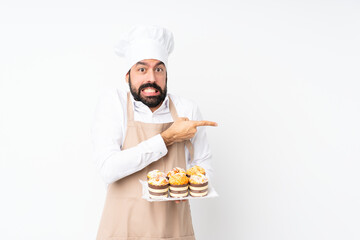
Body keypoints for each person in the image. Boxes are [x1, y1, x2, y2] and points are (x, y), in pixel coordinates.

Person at [92, 25, 217, 240]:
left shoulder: (187, 109)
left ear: (166, 74)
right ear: (127, 76)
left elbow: (203, 162)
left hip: (173, 229)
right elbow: (108, 168)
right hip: (122, 230)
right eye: (142, 69)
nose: (151, 78)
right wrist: (167, 138)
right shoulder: (115, 104)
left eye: (159, 69)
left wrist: (190, 185)